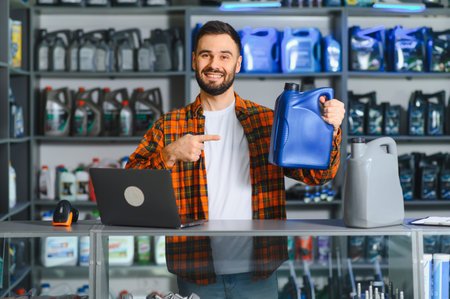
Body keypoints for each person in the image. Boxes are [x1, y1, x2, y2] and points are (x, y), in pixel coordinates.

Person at [126, 20, 345, 298]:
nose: (214, 64)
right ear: (194, 60)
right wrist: (168, 155)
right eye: (206, 54)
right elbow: (130, 190)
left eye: (224, 56)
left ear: (238, 64)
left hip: (258, 269)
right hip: (195, 269)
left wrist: (332, 128)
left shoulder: (267, 122)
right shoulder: (170, 125)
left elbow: (316, 176)